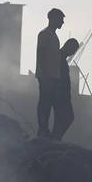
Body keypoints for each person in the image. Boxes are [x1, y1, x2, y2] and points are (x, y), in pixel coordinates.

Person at [35, 8, 65, 138]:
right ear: (53, 19)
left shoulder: (53, 36)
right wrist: (45, 74)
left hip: (52, 76)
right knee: (45, 103)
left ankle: (45, 129)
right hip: (46, 76)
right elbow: (41, 54)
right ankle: (43, 129)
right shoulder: (45, 34)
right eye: (60, 19)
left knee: (49, 103)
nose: (62, 22)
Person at [52, 38, 79, 140]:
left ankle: (56, 137)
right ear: (68, 46)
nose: (73, 52)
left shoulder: (60, 58)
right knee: (67, 117)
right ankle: (56, 137)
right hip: (60, 94)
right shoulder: (59, 59)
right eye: (74, 49)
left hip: (62, 94)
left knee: (61, 118)